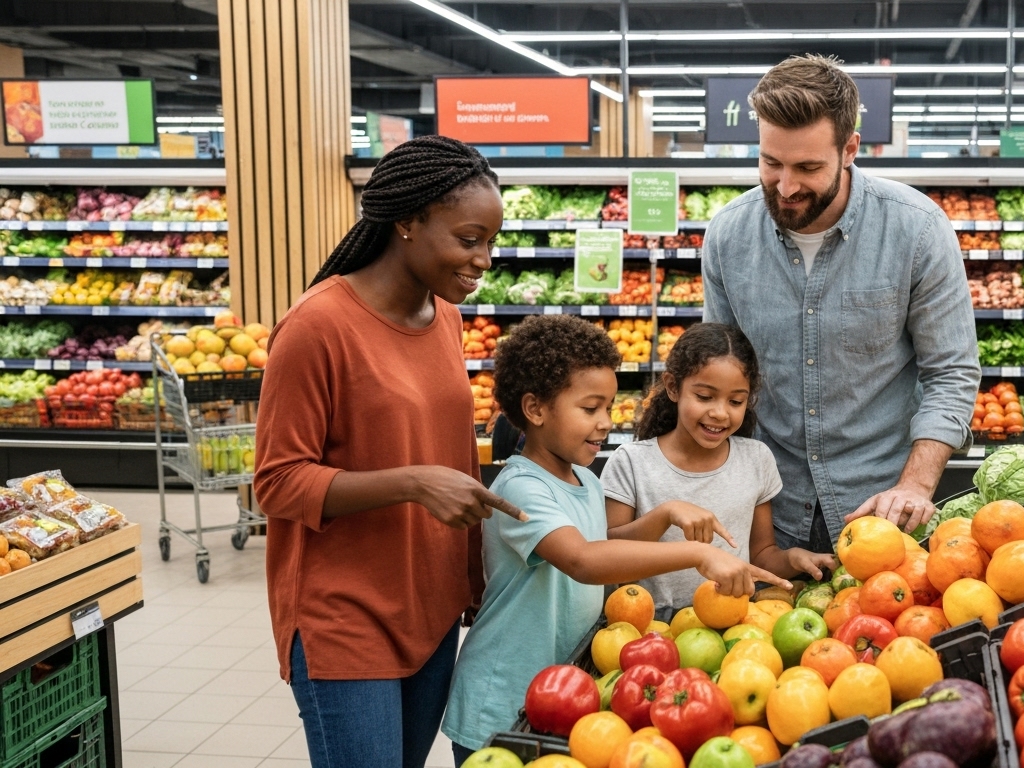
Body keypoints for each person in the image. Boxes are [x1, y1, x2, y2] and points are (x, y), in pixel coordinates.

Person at [254, 136, 525, 768]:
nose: (483, 259)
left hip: (428, 608)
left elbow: (454, 451)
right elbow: (276, 481)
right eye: (468, 239)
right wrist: (411, 483)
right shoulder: (317, 326)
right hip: (344, 616)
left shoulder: (445, 319)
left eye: (490, 241)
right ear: (407, 221)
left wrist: (470, 576)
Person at [441, 315, 789, 761]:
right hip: (503, 693)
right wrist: (697, 553)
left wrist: (663, 516)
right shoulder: (518, 488)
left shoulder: (584, 480)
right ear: (535, 409)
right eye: (590, 409)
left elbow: (609, 543)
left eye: (608, 407)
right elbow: (584, 559)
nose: (606, 422)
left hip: (563, 689)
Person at [701, 54, 981, 551]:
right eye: (770, 163)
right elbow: (720, 372)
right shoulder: (728, 235)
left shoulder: (916, 229)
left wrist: (915, 484)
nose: (785, 186)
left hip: (884, 510)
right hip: (769, 511)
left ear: (850, 148)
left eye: (808, 167)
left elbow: (951, 371)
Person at [601, 322, 836, 612]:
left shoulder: (756, 459)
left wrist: (792, 559)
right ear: (673, 387)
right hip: (650, 627)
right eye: (704, 397)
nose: (720, 413)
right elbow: (608, 555)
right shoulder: (631, 462)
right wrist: (665, 514)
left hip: (731, 620)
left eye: (736, 401)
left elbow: (761, 554)